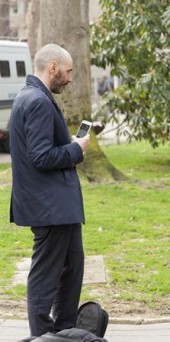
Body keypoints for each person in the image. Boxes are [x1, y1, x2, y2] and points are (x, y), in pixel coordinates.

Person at [9, 43, 90, 337]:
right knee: (46, 277)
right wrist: (75, 149)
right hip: (49, 207)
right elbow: (41, 157)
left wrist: (66, 146)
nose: (69, 79)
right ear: (52, 67)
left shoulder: (32, 97)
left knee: (72, 268)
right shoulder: (38, 101)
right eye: (68, 72)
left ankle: (65, 331)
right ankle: (42, 336)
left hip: (57, 207)